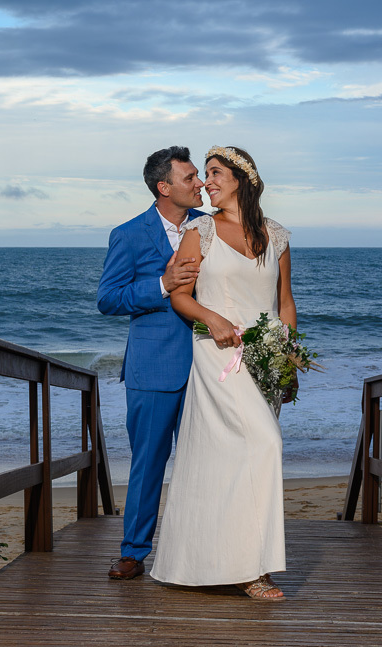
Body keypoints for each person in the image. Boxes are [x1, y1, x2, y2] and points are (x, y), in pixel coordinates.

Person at [149, 146, 295, 600]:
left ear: (242, 178)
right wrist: (211, 319)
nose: (206, 182)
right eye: (204, 174)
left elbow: (285, 303)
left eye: (215, 173)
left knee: (237, 459)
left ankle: (229, 560)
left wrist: (288, 358)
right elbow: (180, 295)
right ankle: (256, 570)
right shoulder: (200, 231)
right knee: (266, 445)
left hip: (265, 360)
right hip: (218, 357)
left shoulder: (278, 235)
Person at [97, 146, 206, 580]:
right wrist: (160, 284)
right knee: (148, 464)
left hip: (208, 367)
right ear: (164, 187)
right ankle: (133, 552)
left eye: (199, 176)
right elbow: (108, 299)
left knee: (204, 463)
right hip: (153, 368)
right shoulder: (129, 234)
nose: (200, 184)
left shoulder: (212, 227)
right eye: (190, 178)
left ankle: (199, 549)